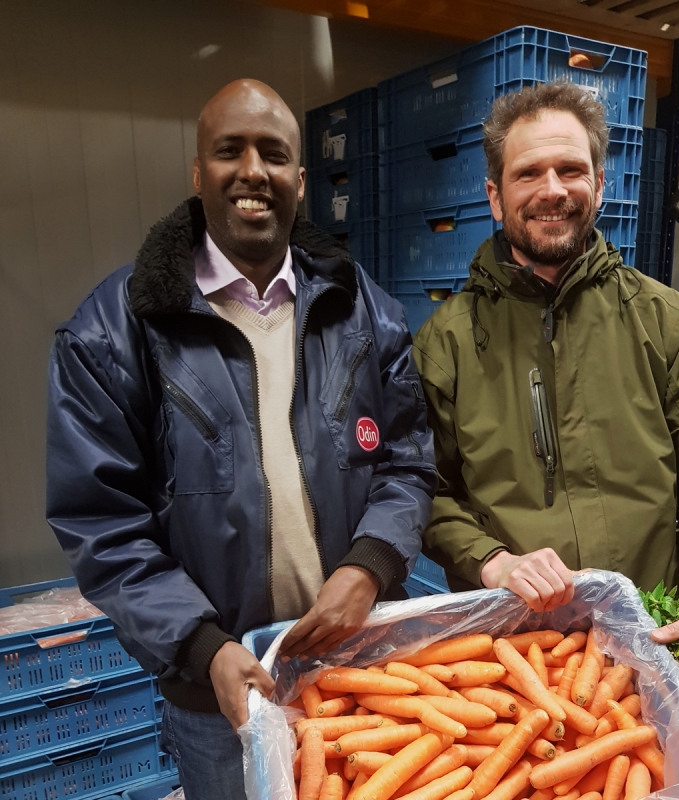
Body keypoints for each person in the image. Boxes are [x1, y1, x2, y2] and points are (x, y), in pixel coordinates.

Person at [47, 79, 436, 799]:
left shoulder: (367, 311)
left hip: (363, 671)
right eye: (230, 151)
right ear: (199, 173)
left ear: (298, 177)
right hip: (221, 692)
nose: (253, 170)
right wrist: (202, 646)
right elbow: (103, 523)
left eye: (273, 153)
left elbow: (408, 462)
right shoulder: (114, 331)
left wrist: (371, 563)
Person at [412, 82, 679, 688]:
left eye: (571, 169)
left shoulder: (663, 319)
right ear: (495, 197)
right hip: (513, 664)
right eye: (528, 173)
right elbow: (424, 492)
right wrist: (492, 561)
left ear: (600, 184)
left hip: (650, 646)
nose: (552, 190)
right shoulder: (448, 343)